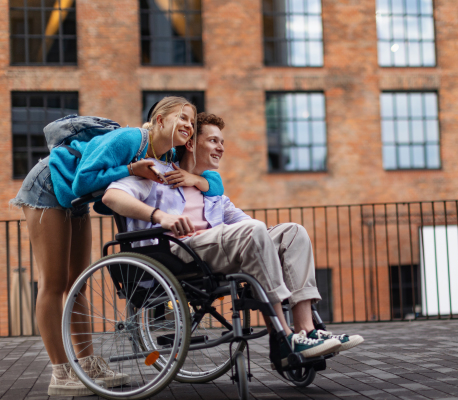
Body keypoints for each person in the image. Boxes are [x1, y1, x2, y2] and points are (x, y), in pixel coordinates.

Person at [102, 112, 364, 366]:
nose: (221, 148)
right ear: (191, 143)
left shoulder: (213, 193)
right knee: (254, 232)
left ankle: (307, 331)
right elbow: (112, 197)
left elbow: (251, 226)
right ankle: (282, 336)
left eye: (222, 142)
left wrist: (273, 241)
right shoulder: (158, 174)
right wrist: (159, 216)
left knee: (293, 232)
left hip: (214, 249)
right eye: (213, 141)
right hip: (178, 251)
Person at [9, 97, 224, 396]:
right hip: (49, 185)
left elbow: (215, 185)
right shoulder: (132, 138)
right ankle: (61, 371)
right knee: (54, 282)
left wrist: (192, 178)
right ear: (160, 121)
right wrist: (132, 169)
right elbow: (83, 180)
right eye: (182, 117)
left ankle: (88, 364)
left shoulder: (170, 155)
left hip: (74, 199)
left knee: (77, 284)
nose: (189, 124)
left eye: (192, 120)